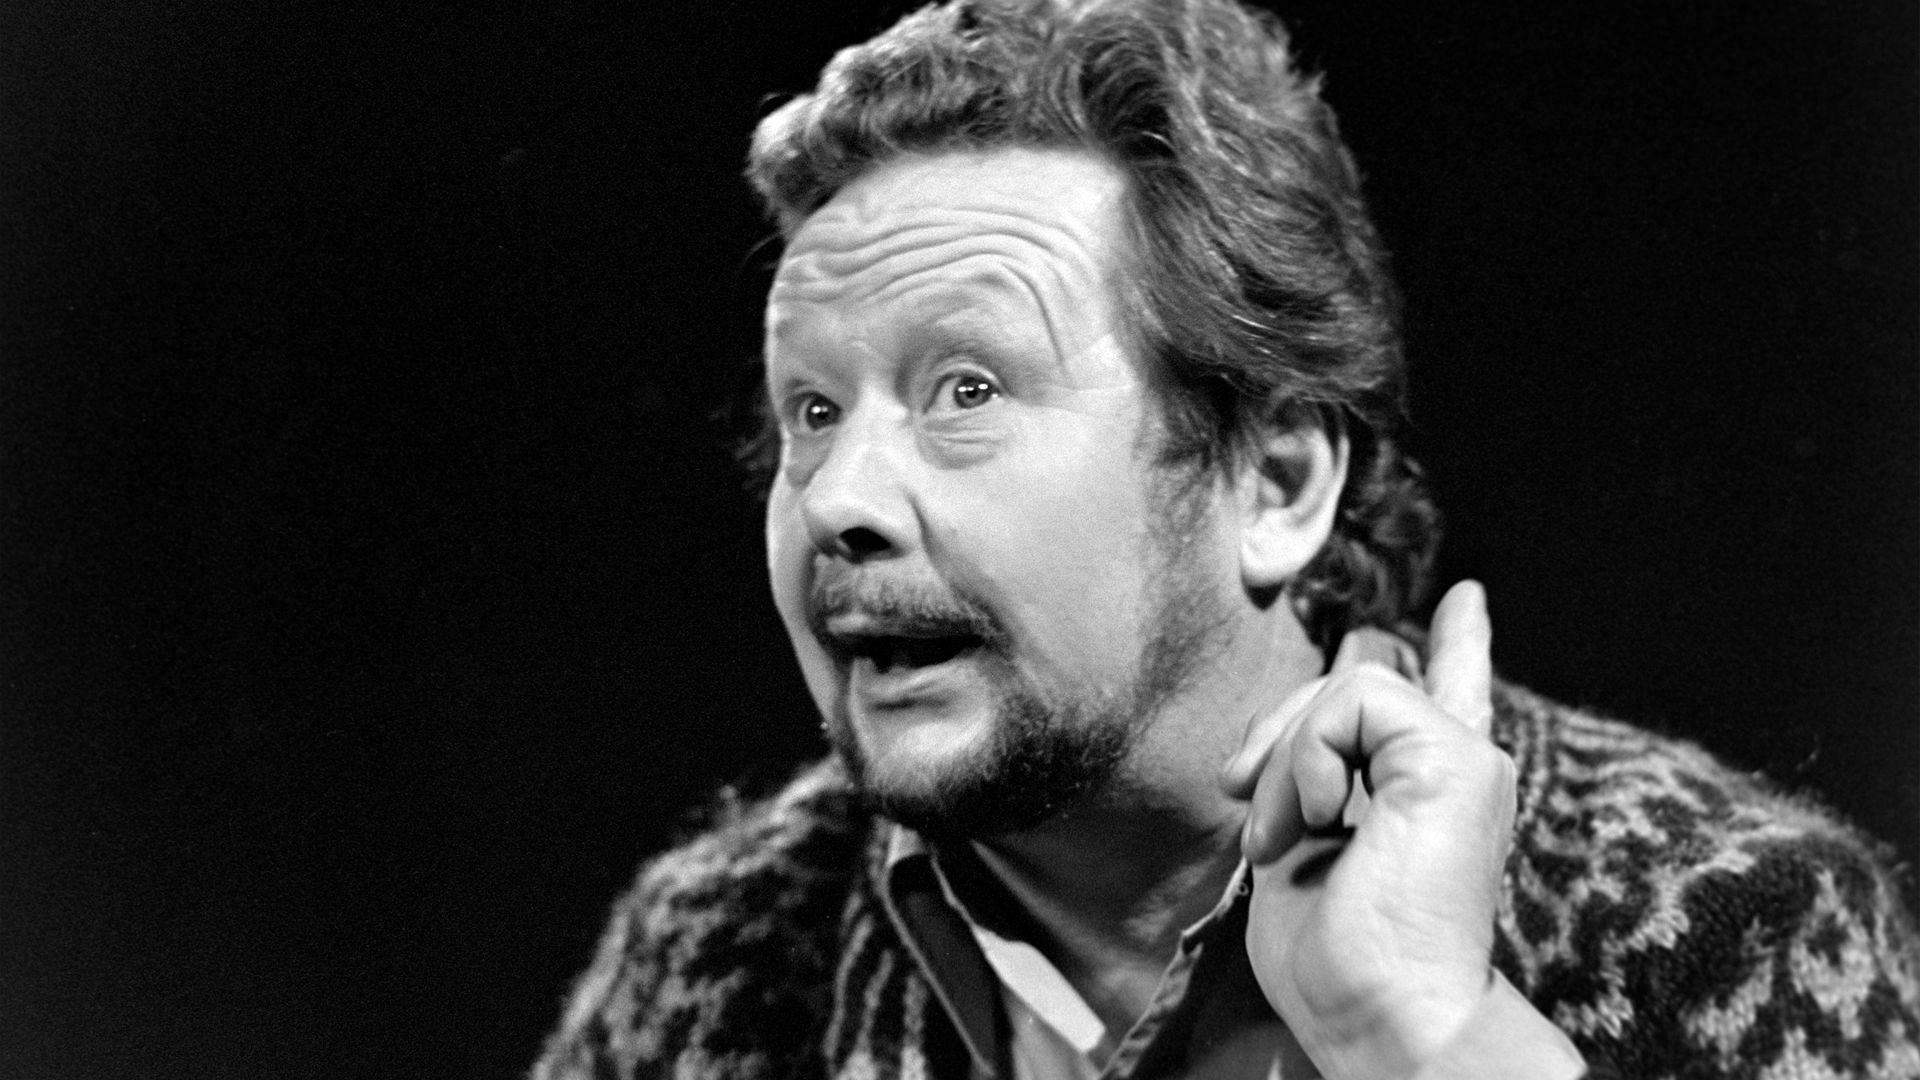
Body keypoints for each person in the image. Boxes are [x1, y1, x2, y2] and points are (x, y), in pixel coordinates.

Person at [532, 0, 1920, 1076]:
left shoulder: (1725, 922)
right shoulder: (713, 953)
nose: (839, 496)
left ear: (1277, 483)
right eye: (813, 411)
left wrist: (1430, 1040)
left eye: (967, 390)